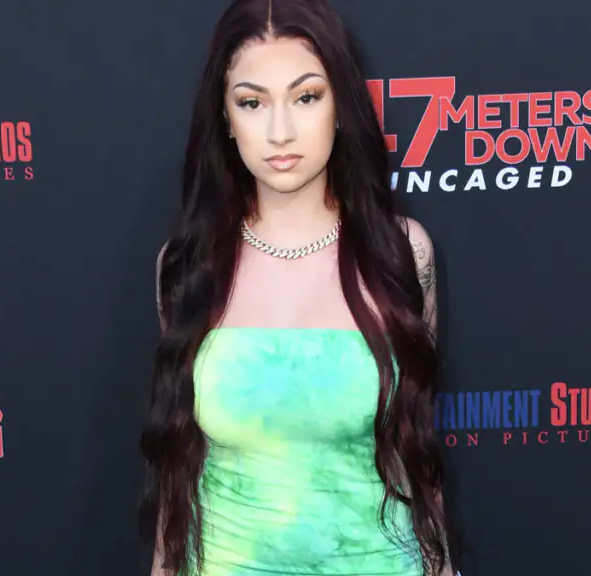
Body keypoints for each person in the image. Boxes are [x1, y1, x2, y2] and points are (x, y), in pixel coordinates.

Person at [140, 1, 455, 574]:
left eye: (306, 96)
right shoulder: (186, 268)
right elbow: (178, 471)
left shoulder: (403, 254)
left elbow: (416, 457)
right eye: (252, 102)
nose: (280, 131)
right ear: (225, 117)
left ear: (341, 106)